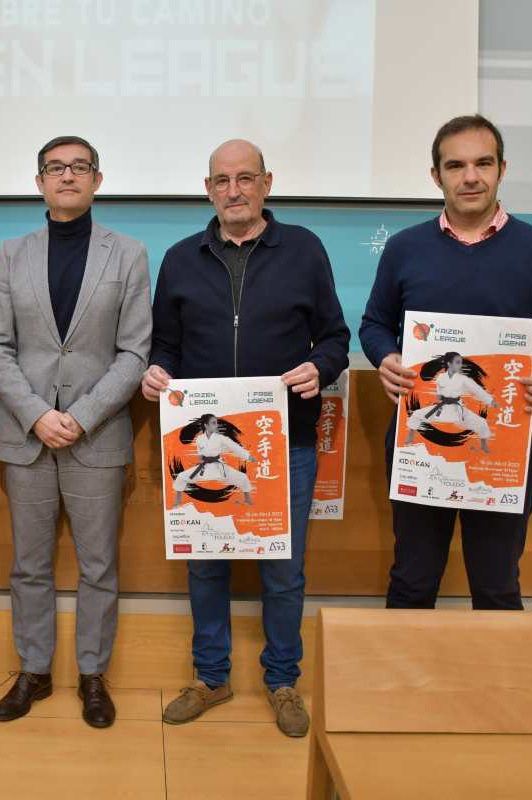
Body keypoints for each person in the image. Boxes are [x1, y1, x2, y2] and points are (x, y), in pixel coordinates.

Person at [142, 139, 350, 738]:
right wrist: (157, 372)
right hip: (196, 442)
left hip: (286, 443)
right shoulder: (181, 258)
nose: (234, 190)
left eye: (246, 178)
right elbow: (165, 345)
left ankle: (283, 680)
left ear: (266, 184)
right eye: (222, 180)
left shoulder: (304, 250)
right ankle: (211, 676)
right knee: (205, 567)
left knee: (283, 572)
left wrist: (324, 366)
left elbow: (334, 337)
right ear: (208, 189)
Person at [358, 114, 532, 610]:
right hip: (419, 443)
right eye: (456, 165)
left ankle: (498, 689)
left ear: (502, 169)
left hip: (504, 442)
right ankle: (403, 688)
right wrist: (387, 357)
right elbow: (374, 324)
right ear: (435, 175)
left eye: (483, 163)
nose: (470, 177)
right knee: (413, 578)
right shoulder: (404, 248)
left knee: (497, 582)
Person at [0, 135, 152, 728]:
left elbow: (134, 353)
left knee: (98, 564)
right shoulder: (11, 254)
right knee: (28, 564)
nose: (68, 176)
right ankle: (32, 672)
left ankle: (92, 675)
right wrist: (35, 413)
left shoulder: (127, 255)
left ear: (97, 180)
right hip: (27, 435)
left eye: (80, 167)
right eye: (56, 168)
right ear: (40, 183)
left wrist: (81, 415)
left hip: (96, 435)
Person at [402, 352, 501, 452]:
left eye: (461, 362)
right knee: (416, 414)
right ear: (449, 364)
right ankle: (410, 436)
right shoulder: (441, 377)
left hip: (457, 409)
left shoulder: (464, 379)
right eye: (458, 362)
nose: (460, 365)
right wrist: (439, 397)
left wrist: (491, 401)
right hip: (442, 408)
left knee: (481, 422)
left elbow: (477, 390)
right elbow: (439, 393)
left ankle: (483, 444)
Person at [171, 414, 256, 507]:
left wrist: (248, 456)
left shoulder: (221, 438)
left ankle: (248, 500)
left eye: (216, 423)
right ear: (206, 425)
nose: (216, 425)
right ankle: (177, 501)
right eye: (213, 423)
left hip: (219, 467)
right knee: (181, 476)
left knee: (243, 477)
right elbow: (200, 453)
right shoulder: (200, 439)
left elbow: (234, 447)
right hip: (204, 467)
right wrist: (200, 462)